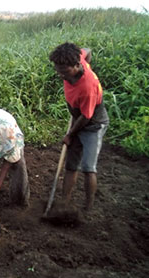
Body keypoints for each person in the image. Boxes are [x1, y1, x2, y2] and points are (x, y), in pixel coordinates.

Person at [49, 42, 109, 211]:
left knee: (88, 168)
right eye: (58, 70)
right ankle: (64, 203)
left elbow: (86, 117)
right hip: (78, 117)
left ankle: (88, 207)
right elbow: (87, 50)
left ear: (76, 66)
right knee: (70, 165)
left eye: (64, 71)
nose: (61, 75)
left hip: (93, 125)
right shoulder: (78, 58)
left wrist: (70, 134)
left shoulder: (87, 86)